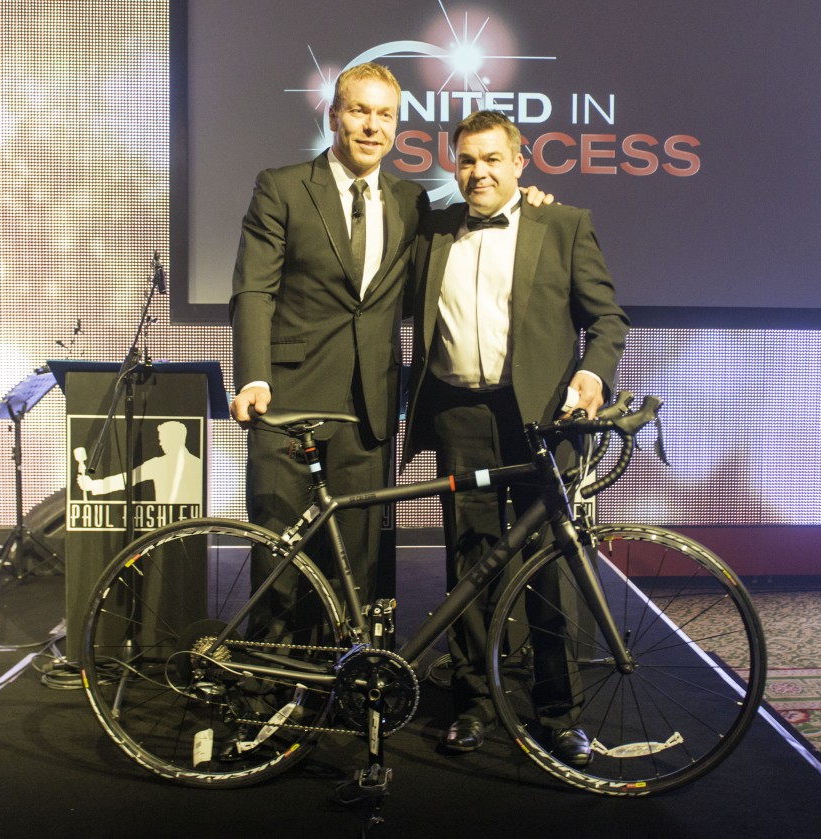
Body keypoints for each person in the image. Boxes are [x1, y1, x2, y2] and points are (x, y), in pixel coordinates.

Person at [229, 65, 550, 614]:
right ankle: (271, 689)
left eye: (385, 115)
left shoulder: (411, 201)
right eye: (359, 111)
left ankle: (345, 683)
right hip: (288, 399)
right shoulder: (281, 187)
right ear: (334, 116)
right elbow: (254, 291)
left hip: (369, 408)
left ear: (397, 126)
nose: (372, 126)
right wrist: (254, 376)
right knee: (281, 558)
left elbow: (452, 255)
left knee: (359, 565)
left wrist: (528, 204)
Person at [402, 110, 630, 762]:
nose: (479, 172)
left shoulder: (563, 225)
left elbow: (607, 319)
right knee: (469, 563)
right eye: (468, 160)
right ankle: (473, 705)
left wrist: (592, 374)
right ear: (454, 164)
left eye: (492, 159)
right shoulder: (434, 230)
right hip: (459, 416)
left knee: (549, 569)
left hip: (540, 421)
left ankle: (558, 714)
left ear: (520, 162)